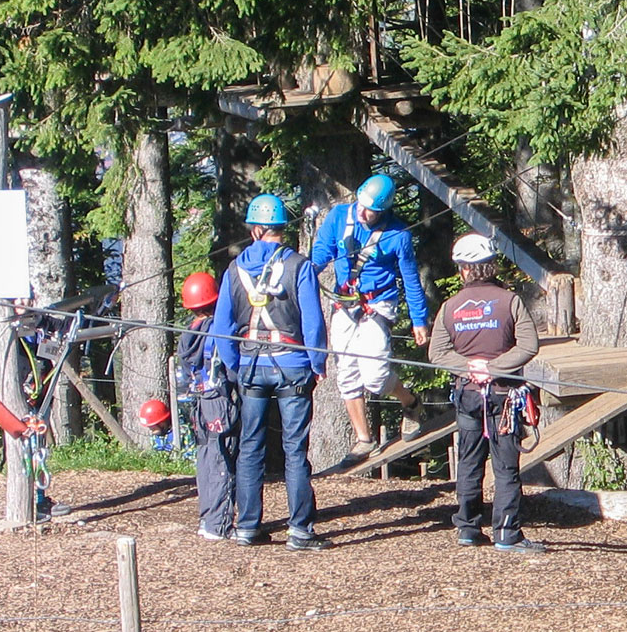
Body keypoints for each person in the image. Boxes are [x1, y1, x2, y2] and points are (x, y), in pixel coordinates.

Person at [211, 194, 332, 551]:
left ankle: (248, 526)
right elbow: (313, 322)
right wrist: (317, 364)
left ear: (255, 229)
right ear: (280, 228)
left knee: (250, 446)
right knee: (295, 449)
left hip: (250, 366)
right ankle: (300, 530)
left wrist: (235, 366)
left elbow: (222, 328)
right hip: (293, 366)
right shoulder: (299, 266)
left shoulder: (234, 270)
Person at [428, 233, 545, 553]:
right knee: (505, 466)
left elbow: (437, 353)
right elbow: (529, 346)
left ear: (464, 269)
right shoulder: (510, 302)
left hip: (468, 395)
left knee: (469, 461)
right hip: (503, 397)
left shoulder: (450, 307)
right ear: (491, 265)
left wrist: (469, 367)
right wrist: (493, 368)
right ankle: (506, 534)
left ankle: (467, 528)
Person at [311, 174, 429, 465]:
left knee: (375, 376)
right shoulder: (339, 216)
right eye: (361, 206)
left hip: (378, 304)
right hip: (344, 303)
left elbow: (410, 279)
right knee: (347, 373)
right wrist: (307, 271)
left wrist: (419, 319)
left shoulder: (398, 234)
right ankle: (363, 439)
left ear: (384, 210)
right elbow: (323, 251)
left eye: (371, 210)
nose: (363, 213)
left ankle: (410, 402)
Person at [177, 272, 239, 542]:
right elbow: (230, 368)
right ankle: (219, 524)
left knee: (205, 458)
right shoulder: (216, 331)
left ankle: (207, 518)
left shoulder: (188, 334)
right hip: (219, 401)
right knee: (222, 458)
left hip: (199, 403)